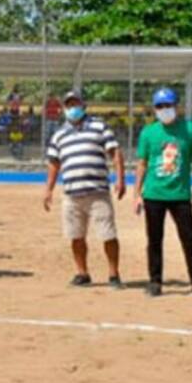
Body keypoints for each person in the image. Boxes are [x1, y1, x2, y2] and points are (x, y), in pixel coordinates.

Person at [44, 90, 126, 289]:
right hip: (71, 194)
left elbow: (115, 153)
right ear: (64, 108)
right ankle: (82, 273)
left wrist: (120, 179)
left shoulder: (99, 126)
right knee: (76, 235)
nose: (73, 108)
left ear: (84, 105)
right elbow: (54, 163)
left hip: (98, 192)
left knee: (108, 234)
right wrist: (48, 190)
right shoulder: (58, 135)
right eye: (69, 105)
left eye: (76, 104)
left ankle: (114, 274)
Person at [134, 87, 192, 297]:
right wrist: (136, 193)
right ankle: (155, 281)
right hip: (153, 195)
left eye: (168, 105)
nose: (164, 109)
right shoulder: (148, 132)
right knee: (154, 239)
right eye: (160, 106)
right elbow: (142, 163)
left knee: (189, 238)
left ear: (177, 106)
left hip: (180, 195)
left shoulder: (191, 130)